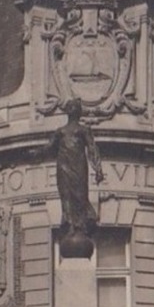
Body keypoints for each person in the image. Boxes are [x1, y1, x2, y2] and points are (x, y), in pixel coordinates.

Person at [44, 98, 104, 255]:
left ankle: (81, 225)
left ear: (78, 112)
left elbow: (92, 149)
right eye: (70, 107)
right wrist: (33, 153)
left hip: (78, 166)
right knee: (66, 196)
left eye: (74, 108)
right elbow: (49, 146)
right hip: (63, 167)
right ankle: (71, 225)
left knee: (80, 195)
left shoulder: (83, 130)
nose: (72, 110)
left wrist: (97, 168)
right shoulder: (60, 131)